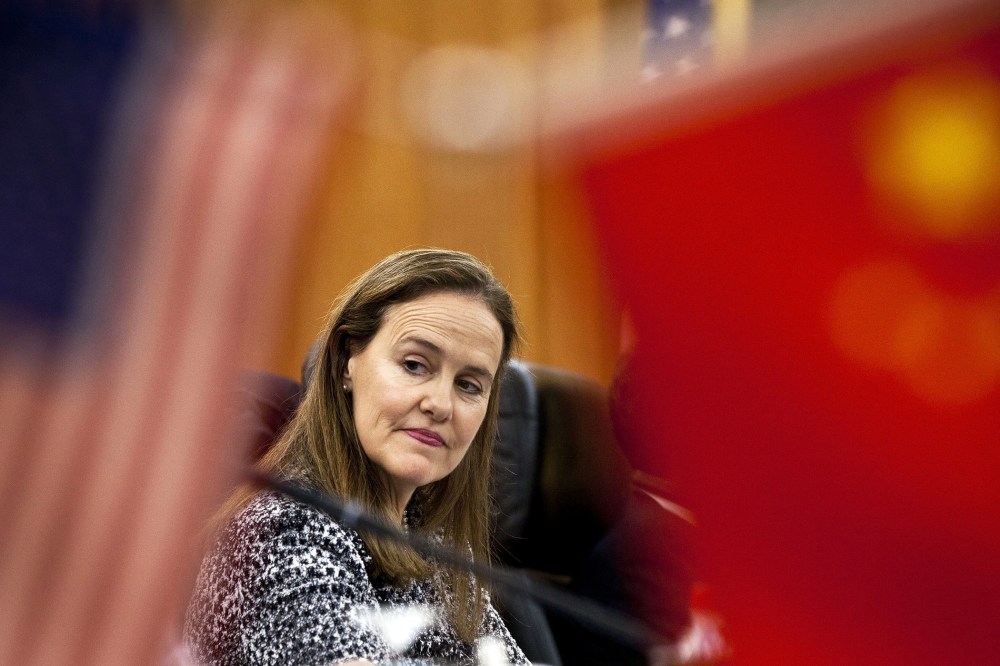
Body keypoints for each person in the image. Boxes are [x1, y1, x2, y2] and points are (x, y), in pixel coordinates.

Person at [184, 248, 528, 666]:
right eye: (415, 365)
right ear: (348, 361)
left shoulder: (428, 536)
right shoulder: (283, 531)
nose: (441, 404)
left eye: (470, 385)